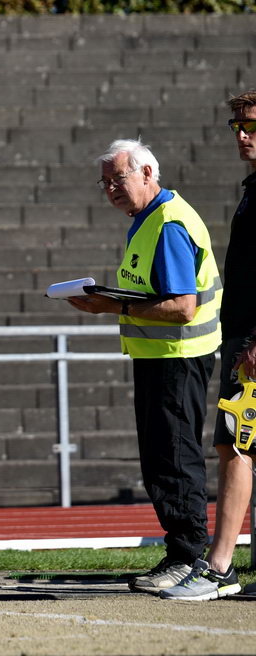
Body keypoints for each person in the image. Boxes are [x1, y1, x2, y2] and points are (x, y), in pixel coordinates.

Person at [67, 139, 222, 595]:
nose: (112, 188)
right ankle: (183, 552)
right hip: (163, 356)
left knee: (173, 459)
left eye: (120, 178)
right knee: (164, 458)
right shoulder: (149, 217)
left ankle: (189, 555)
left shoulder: (168, 223)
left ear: (148, 173)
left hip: (177, 356)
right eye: (106, 182)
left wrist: (110, 308)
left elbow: (181, 307)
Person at [160, 91, 256, 601]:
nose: (242, 135)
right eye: (237, 126)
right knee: (234, 444)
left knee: (236, 444)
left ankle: (219, 568)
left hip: (253, 343)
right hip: (241, 335)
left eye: (253, 126)